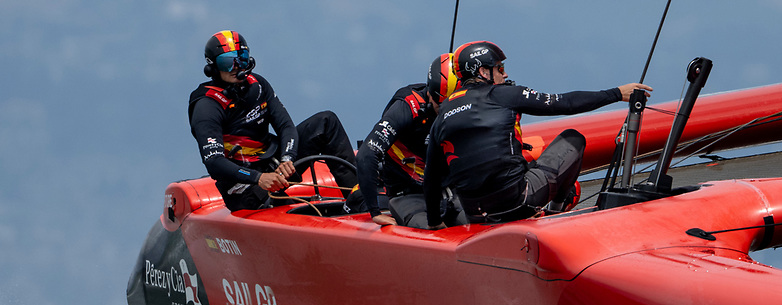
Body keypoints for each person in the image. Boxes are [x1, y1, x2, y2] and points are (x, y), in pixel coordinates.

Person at [424, 41, 652, 228]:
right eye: (500, 69)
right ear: (484, 72)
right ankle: (556, 213)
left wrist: (435, 226)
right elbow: (565, 103)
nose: (505, 74)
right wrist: (616, 93)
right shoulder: (504, 95)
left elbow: (431, 180)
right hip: (517, 202)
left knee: (523, 160)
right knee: (573, 139)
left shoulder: (442, 114)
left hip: (476, 216)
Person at [189, 30, 358, 212]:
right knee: (285, 211)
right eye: (228, 62)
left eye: (242, 58)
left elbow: (286, 126)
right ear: (213, 67)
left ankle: (359, 197)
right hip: (244, 185)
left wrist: (288, 158)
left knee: (326, 121)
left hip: (274, 166)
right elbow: (214, 162)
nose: (237, 67)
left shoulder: (258, 84)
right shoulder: (206, 105)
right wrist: (258, 178)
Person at [347, 53, 460, 226]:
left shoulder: (469, 106)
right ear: (431, 95)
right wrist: (374, 212)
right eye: (442, 106)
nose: (448, 113)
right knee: (431, 230)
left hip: (452, 190)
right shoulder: (408, 106)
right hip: (409, 195)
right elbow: (367, 154)